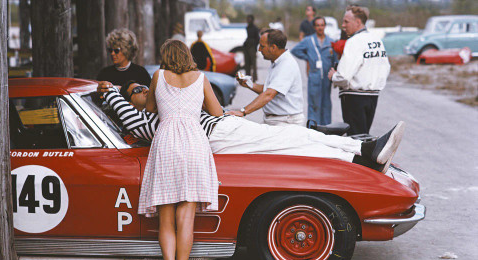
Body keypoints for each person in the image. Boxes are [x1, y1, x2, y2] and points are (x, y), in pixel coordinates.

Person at [97, 80, 406, 174]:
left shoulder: (162, 109)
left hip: (222, 128)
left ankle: (363, 150)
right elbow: (131, 120)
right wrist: (111, 92)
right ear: (132, 101)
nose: (144, 90)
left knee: (295, 136)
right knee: (293, 146)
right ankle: (362, 156)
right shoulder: (147, 120)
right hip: (219, 137)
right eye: (136, 90)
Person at [138, 39, 223, 260]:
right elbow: (217, 112)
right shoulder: (201, 78)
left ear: (165, 56)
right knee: (186, 217)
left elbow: (149, 108)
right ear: (187, 55)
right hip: (194, 144)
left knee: (166, 218)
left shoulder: (158, 76)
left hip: (166, 144)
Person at [328, 5, 390, 135]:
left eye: (346, 22)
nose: (343, 25)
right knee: (364, 135)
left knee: (355, 138)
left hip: (354, 96)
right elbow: (385, 67)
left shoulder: (354, 42)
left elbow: (343, 77)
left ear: (358, 22)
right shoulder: (376, 40)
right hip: (373, 95)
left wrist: (333, 76)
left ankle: (361, 156)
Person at [229, 29, 304, 127]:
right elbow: (269, 90)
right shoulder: (277, 62)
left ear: (273, 47)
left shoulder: (286, 65)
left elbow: (269, 94)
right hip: (276, 120)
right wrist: (249, 84)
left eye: (262, 46)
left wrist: (243, 111)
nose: (259, 49)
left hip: (286, 123)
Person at [292, 16, 337, 126]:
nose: (320, 28)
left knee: (326, 103)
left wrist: (335, 73)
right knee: (313, 103)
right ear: (314, 27)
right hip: (314, 77)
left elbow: (335, 59)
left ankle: (326, 128)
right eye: (318, 25)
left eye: (322, 25)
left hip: (327, 78)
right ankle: (313, 128)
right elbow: (295, 50)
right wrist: (307, 57)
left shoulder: (331, 42)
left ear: (325, 26)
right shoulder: (308, 40)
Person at [243, 15, 260, 81]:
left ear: (252, 20)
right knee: (247, 63)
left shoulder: (255, 28)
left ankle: (254, 78)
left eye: (249, 19)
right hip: (247, 46)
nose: (248, 20)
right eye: (247, 19)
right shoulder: (247, 27)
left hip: (252, 47)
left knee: (253, 63)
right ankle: (247, 78)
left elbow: (257, 39)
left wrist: (255, 48)